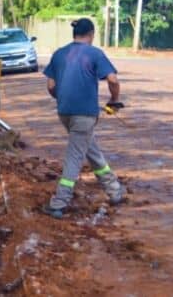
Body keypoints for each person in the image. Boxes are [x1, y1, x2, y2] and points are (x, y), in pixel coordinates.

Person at [42, 18, 125, 218]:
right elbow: (113, 79)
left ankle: (114, 190)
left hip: (65, 113)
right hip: (84, 115)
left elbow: (51, 86)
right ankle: (59, 203)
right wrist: (114, 100)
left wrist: (63, 97)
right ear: (91, 34)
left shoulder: (59, 54)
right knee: (74, 157)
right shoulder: (94, 53)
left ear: (75, 33)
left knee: (91, 150)